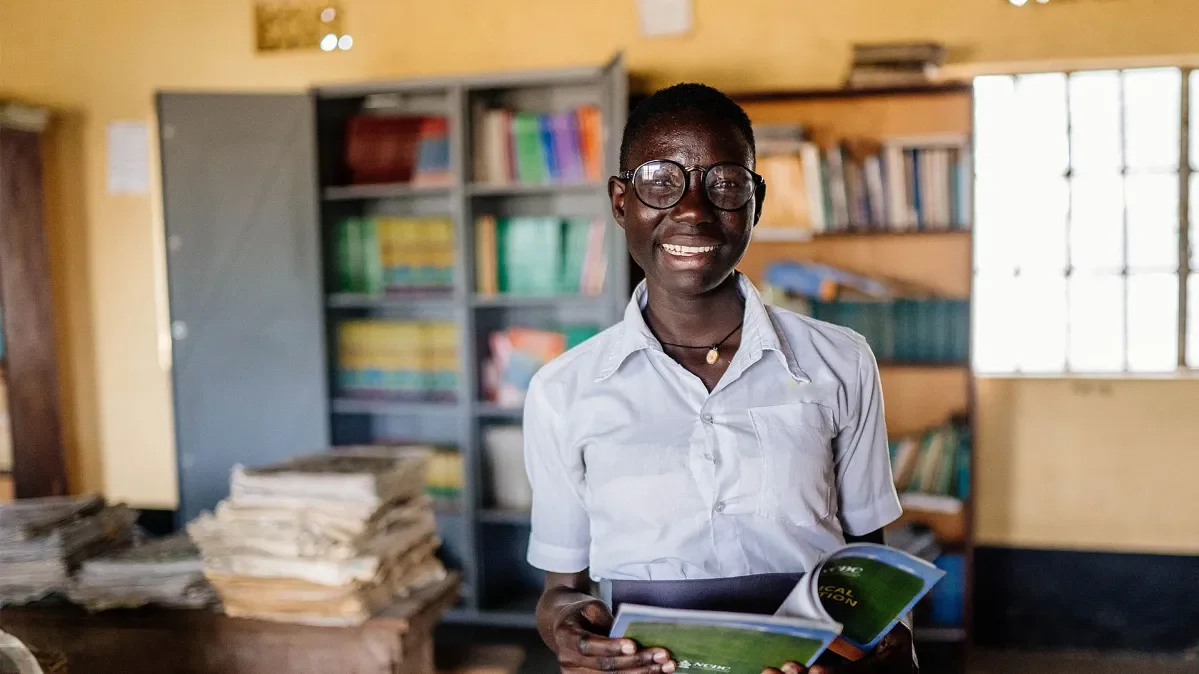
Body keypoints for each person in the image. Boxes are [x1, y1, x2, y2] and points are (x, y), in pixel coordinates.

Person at [524, 83, 914, 674]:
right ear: (620, 200)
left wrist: (875, 646)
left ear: (756, 201)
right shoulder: (563, 392)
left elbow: (869, 564)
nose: (692, 210)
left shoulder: (841, 361)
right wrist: (568, 628)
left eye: (726, 184)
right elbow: (562, 588)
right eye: (660, 179)